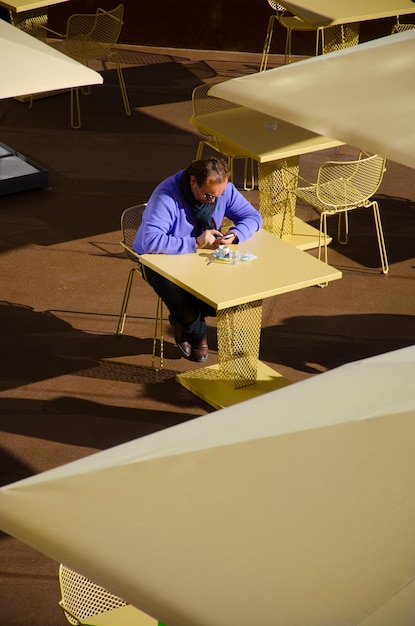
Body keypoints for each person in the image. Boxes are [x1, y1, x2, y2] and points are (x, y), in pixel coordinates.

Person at [133, 156, 263, 363]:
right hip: (156, 259)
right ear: (193, 181)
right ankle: (197, 332)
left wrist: (235, 234)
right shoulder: (167, 197)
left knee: (228, 298)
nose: (214, 201)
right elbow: (150, 241)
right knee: (185, 304)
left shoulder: (222, 191)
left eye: (218, 196)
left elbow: (253, 217)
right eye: (209, 195)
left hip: (199, 258)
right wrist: (195, 243)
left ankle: (181, 322)